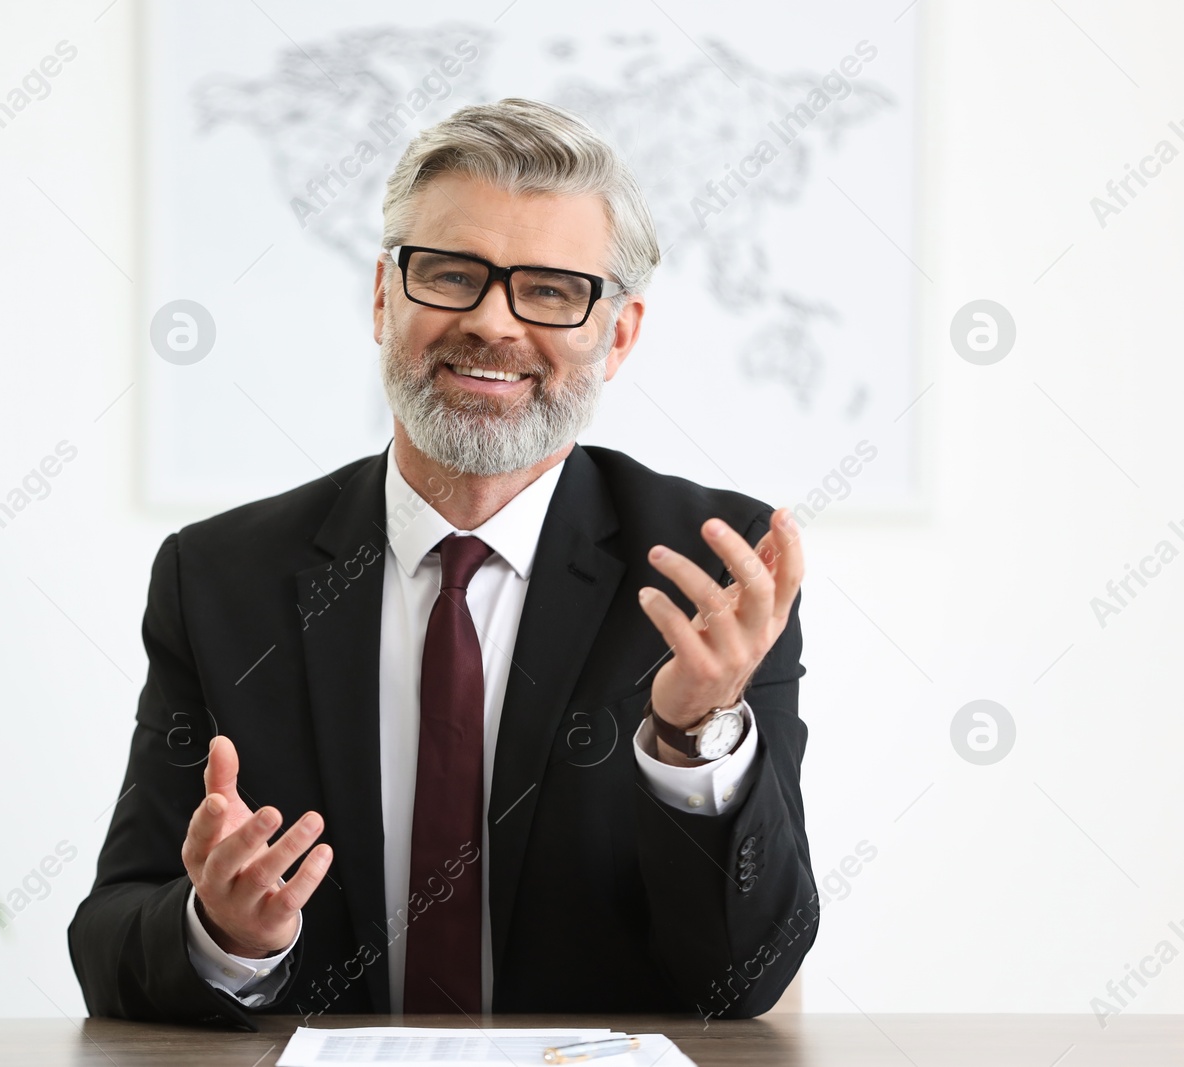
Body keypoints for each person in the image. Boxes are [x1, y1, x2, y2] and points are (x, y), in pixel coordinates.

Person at [69, 97, 815, 1030]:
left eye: (550, 290)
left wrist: (696, 734)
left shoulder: (712, 571)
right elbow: (108, 936)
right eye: (453, 274)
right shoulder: (221, 578)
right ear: (384, 296)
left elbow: (746, 978)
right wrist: (225, 933)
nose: (495, 323)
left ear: (616, 335)